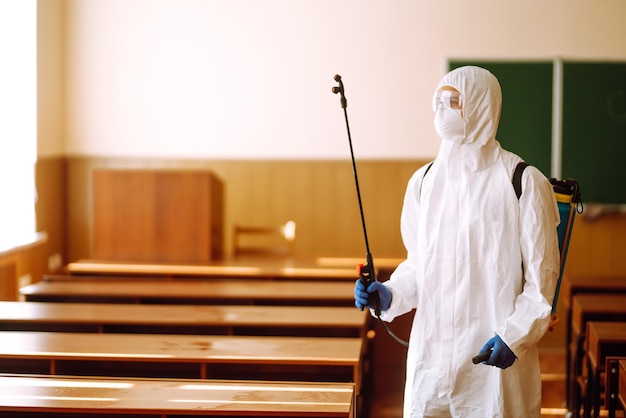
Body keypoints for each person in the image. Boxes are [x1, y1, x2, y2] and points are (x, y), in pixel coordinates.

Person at [354, 66, 560, 417]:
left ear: (481, 105)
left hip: (493, 362)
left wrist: (515, 336)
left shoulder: (523, 182)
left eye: (453, 102)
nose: (442, 112)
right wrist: (390, 293)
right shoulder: (424, 182)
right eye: (438, 103)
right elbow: (419, 264)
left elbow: (542, 282)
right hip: (431, 358)